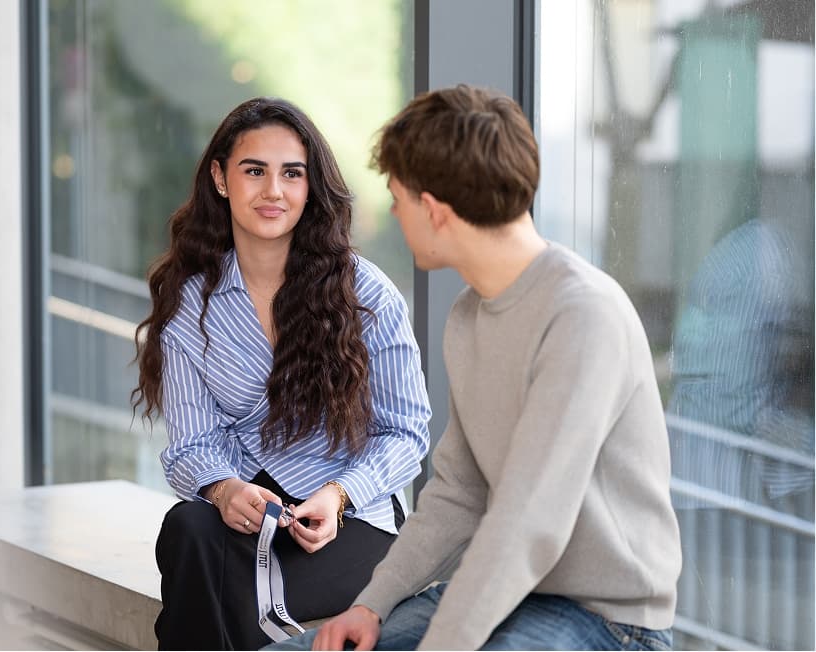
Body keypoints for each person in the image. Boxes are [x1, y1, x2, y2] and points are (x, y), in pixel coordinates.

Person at [267, 84, 682, 651]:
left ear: (433, 211)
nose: (393, 212)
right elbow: (459, 493)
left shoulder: (583, 316)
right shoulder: (469, 317)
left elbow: (529, 522)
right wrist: (371, 605)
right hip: (508, 594)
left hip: (609, 621)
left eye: (397, 197)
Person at [131, 96, 432, 650]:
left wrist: (339, 495)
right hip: (248, 515)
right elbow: (192, 443)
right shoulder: (189, 305)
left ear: (310, 186)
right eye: (255, 171)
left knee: (215, 590)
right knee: (188, 530)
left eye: (292, 174)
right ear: (221, 179)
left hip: (351, 518)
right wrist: (223, 490)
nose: (274, 191)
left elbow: (407, 434)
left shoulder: (367, 295)